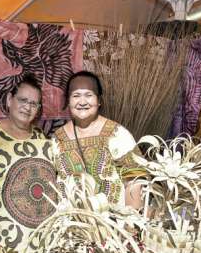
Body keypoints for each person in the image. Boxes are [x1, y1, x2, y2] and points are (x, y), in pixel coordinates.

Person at [0, 74, 56, 253]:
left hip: (35, 241)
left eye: (34, 104)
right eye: (23, 100)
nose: (27, 107)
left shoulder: (41, 138)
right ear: (10, 100)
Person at [52, 70, 142, 209]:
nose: (82, 102)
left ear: (99, 100)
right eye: (76, 96)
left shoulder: (117, 134)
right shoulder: (58, 138)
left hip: (113, 226)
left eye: (89, 95)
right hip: (71, 226)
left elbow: (134, 181)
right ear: (68, 101)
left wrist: (131, 224)